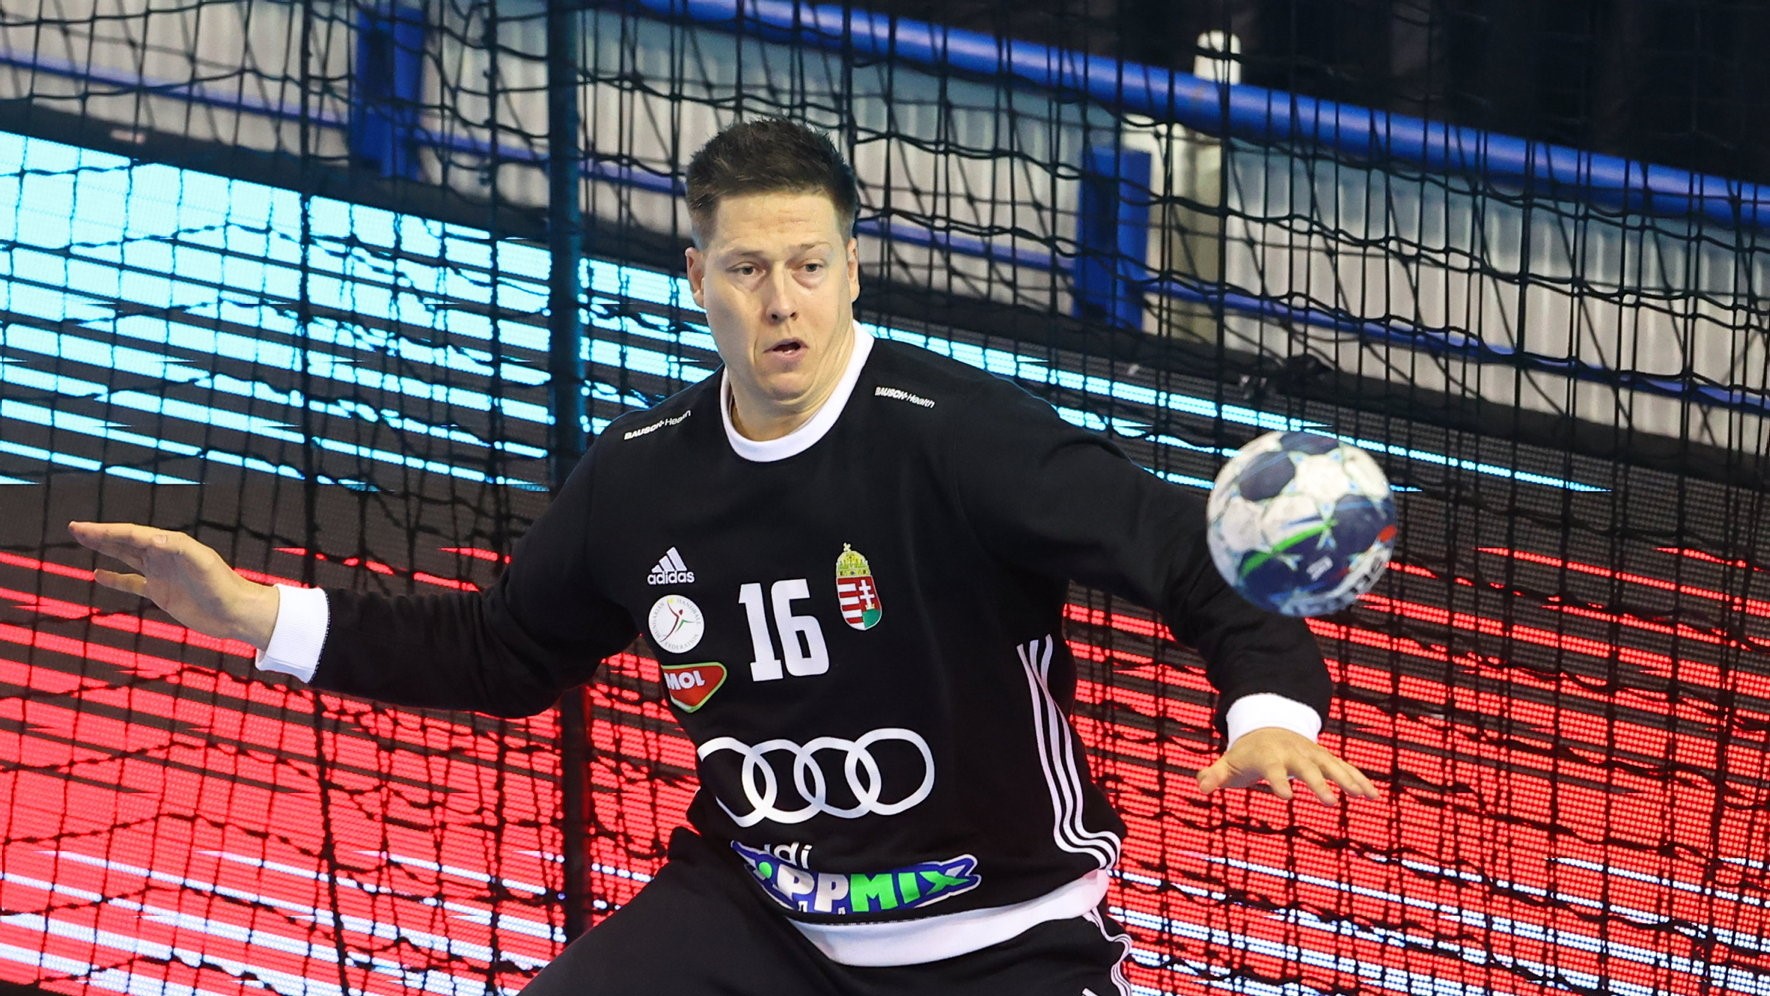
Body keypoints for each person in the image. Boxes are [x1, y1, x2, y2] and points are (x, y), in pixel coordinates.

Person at [69, 116, 1377, 995]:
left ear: (853, 270)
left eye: (808, 265)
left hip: (999, 941)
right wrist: (253, 616)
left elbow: (1184, 553)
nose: (780, 300)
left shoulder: (962, 437)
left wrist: (1268, 707)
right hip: (759, 922)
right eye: (748, 268)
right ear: (696, 275)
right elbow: (501, 652)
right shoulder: (642, 474)